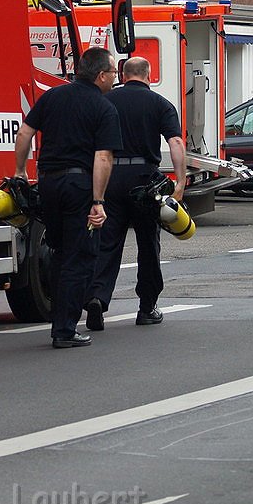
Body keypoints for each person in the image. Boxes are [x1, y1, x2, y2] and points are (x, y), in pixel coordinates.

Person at [13, 47, 121, 348]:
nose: (114, 78)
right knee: (80, 256)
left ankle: (60, 319)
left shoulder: (51, 97)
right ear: (100, 75)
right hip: (79, 187)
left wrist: (20, 171)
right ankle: (64, 329)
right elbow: (103, 158)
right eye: (112, 72)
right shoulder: (104, 108)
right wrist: (97, 202)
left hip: (48, 184)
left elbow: (25, 134)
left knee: (59, 252)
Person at [85, 56, 186, 329]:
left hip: (111, 177)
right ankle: (147, 307)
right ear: (149, 75)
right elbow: (175, 141)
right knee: (148, 245)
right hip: (145, 182)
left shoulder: (106, 101)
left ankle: (97, 297)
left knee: (107, 242)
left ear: (122, 74)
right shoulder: (161, 104)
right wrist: (180, 181)